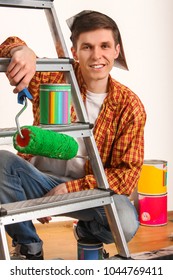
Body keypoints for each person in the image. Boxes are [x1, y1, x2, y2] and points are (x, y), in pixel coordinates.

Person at [0, 10, 146, 260]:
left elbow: (126, 175)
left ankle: (88, 232)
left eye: (104, 46)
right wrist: (20, 51)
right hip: (38, 180)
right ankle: (29, 245)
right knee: (1, 161)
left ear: (116, 51)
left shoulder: (129, 106)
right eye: (87, 47)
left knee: (124, 219)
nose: (97, 55)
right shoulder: (54, 76)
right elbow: (7, 46)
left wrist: (71, 188)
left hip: (86, 192)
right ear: (74, 51)